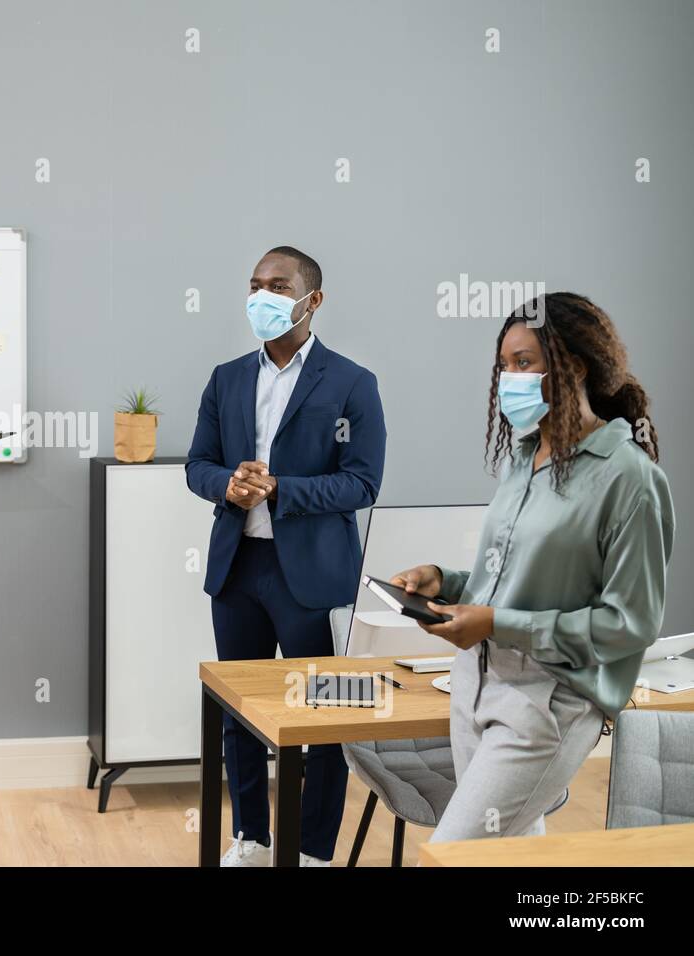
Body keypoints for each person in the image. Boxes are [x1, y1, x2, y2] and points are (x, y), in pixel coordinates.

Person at [392, 293, 674, 843]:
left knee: (455, 855)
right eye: (504, 365)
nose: (509, 379)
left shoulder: (629, 479)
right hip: (474, 683)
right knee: (508, 853)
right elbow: (513, 582)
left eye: (524, 363)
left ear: (576, 368)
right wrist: (445, 581)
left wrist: (497, 624)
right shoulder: (523, 459)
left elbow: (631, 623)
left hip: (547, 701)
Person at [186, 245, 387, 866]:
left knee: (323, 717)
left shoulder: (351, 382)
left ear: (312, 299)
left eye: (277, 285)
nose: (262, 296)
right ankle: (250, 839)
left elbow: (362, 484)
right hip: (237, 570)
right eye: (255, 285)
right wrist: (229, 484)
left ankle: (314, 851)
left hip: (314, 578)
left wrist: (280, 489)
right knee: (241, 713)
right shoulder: (226, 378)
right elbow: (198, 465)